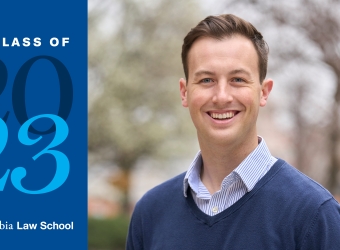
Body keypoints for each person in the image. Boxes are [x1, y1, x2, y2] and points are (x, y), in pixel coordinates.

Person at [126, 14, 340, 249]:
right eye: (207, 80)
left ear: (264, 92)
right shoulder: (150, 214)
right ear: (185, 92)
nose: (221, 97)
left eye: (237, 79)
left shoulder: (314, 216)